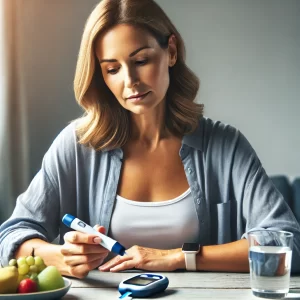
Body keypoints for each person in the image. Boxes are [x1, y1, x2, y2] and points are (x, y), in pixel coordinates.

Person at [0, 0, 299, 279]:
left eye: (140, 60)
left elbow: (289, 244)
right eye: (112, 69)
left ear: (171, 51)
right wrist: (60, 257)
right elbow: (12, 236)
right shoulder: (77, 146)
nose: (130, 81)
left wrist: (179, 257)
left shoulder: (225, 146)